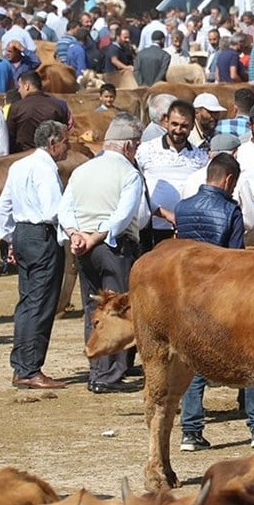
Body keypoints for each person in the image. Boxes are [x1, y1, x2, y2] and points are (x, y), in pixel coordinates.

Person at [174, 153, 254, 451]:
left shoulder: (182, 208)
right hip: (225, 294)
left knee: (195, 360)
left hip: (191, 293)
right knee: (253, 357)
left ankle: (190, 432)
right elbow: (236, 258)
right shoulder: (230, 210)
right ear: (229, 180)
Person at [59, 116, 144, 394]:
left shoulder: (83, 170)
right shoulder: (129, 174)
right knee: (117, 309)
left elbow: (65, 209)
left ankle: (96, 368)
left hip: (83, 247)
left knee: (92, 308)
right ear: (129, 146)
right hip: (114, 246)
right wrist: (97, 235)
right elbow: (123, 216)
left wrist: (76, 235)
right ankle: (110, 374)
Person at [0, 120, 71, 390]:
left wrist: (8, 238)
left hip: (23, 234)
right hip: (42, 236)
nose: (68, 147)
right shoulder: (45, 169)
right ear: (53, 144)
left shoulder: (19, 165)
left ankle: (21, 365)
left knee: (27, 302)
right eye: (65, 142)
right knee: (41, 304)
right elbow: (53, 210)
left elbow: (3, 206)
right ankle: (30, 368)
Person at [135, 100, 209, 243]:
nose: (178, 130)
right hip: (152, 228)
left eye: (184, 126)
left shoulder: (201, 157)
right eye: (174, 124)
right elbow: (137, 189)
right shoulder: (145, 150)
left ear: (192, 126)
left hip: (187, 229)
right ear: (166, 121)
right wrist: (164, 213)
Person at [6, 71, 70, 153]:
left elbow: (9, 136)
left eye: (20, 86)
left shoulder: (16, 107)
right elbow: (64, 134)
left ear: (26, 86)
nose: (18, 91)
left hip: (22, 156)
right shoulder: (59, 105)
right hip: (51, 156)